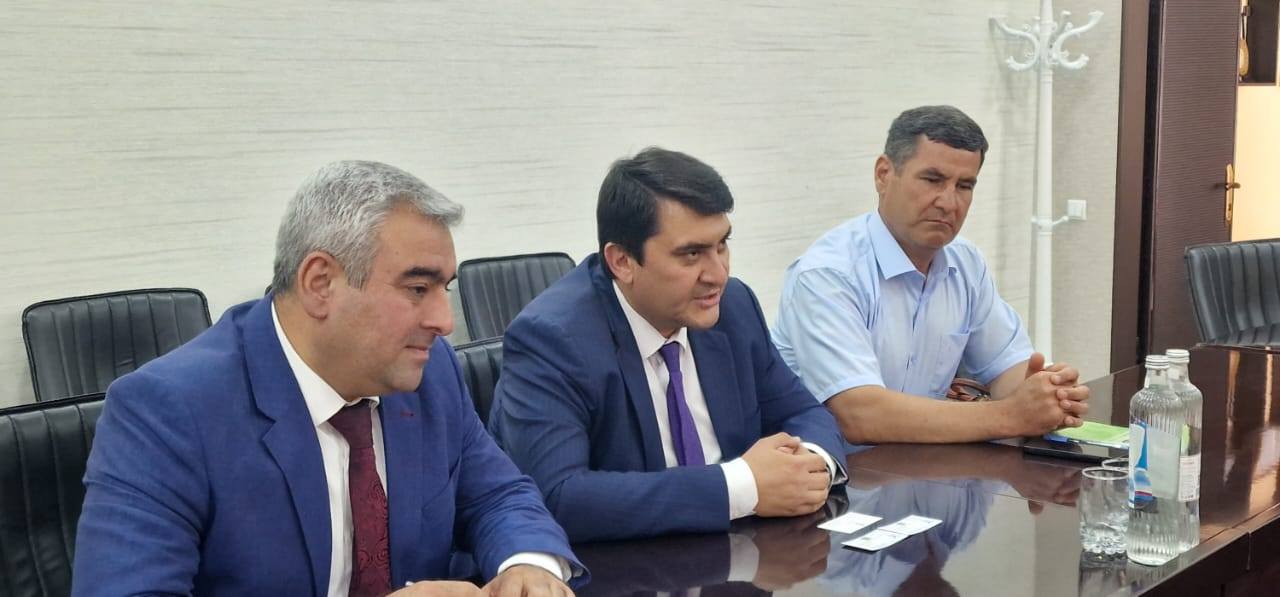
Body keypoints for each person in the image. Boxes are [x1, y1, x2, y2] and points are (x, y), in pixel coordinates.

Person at [73, 161, 583, 596]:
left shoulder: (431, 372)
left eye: (444, 289)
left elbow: (498, 495)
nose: (445, 321)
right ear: (320, 284)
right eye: (417, 288)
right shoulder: (166, 411)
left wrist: (528, 566)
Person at [487, 147, 847, 543]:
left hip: (744, 552)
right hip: (629, 565)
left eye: (722, 245)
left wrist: (809, 467)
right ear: (622, 262)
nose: (718, 274)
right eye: (691, 254)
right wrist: (740, 486)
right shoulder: (553, 339)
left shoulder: (734, 306)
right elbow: (559, 497)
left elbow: (804, 411)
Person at [772, 105, 1090, 444]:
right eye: (932, 180)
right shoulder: (828, 274)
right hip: (839, 471)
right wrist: (1012, 415)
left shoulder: (966, 263)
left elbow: (1006, 367)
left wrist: (1046, 394)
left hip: (927, 464)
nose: (949, 203)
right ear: (883, 174)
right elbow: (859, 415)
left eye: (964, 186)